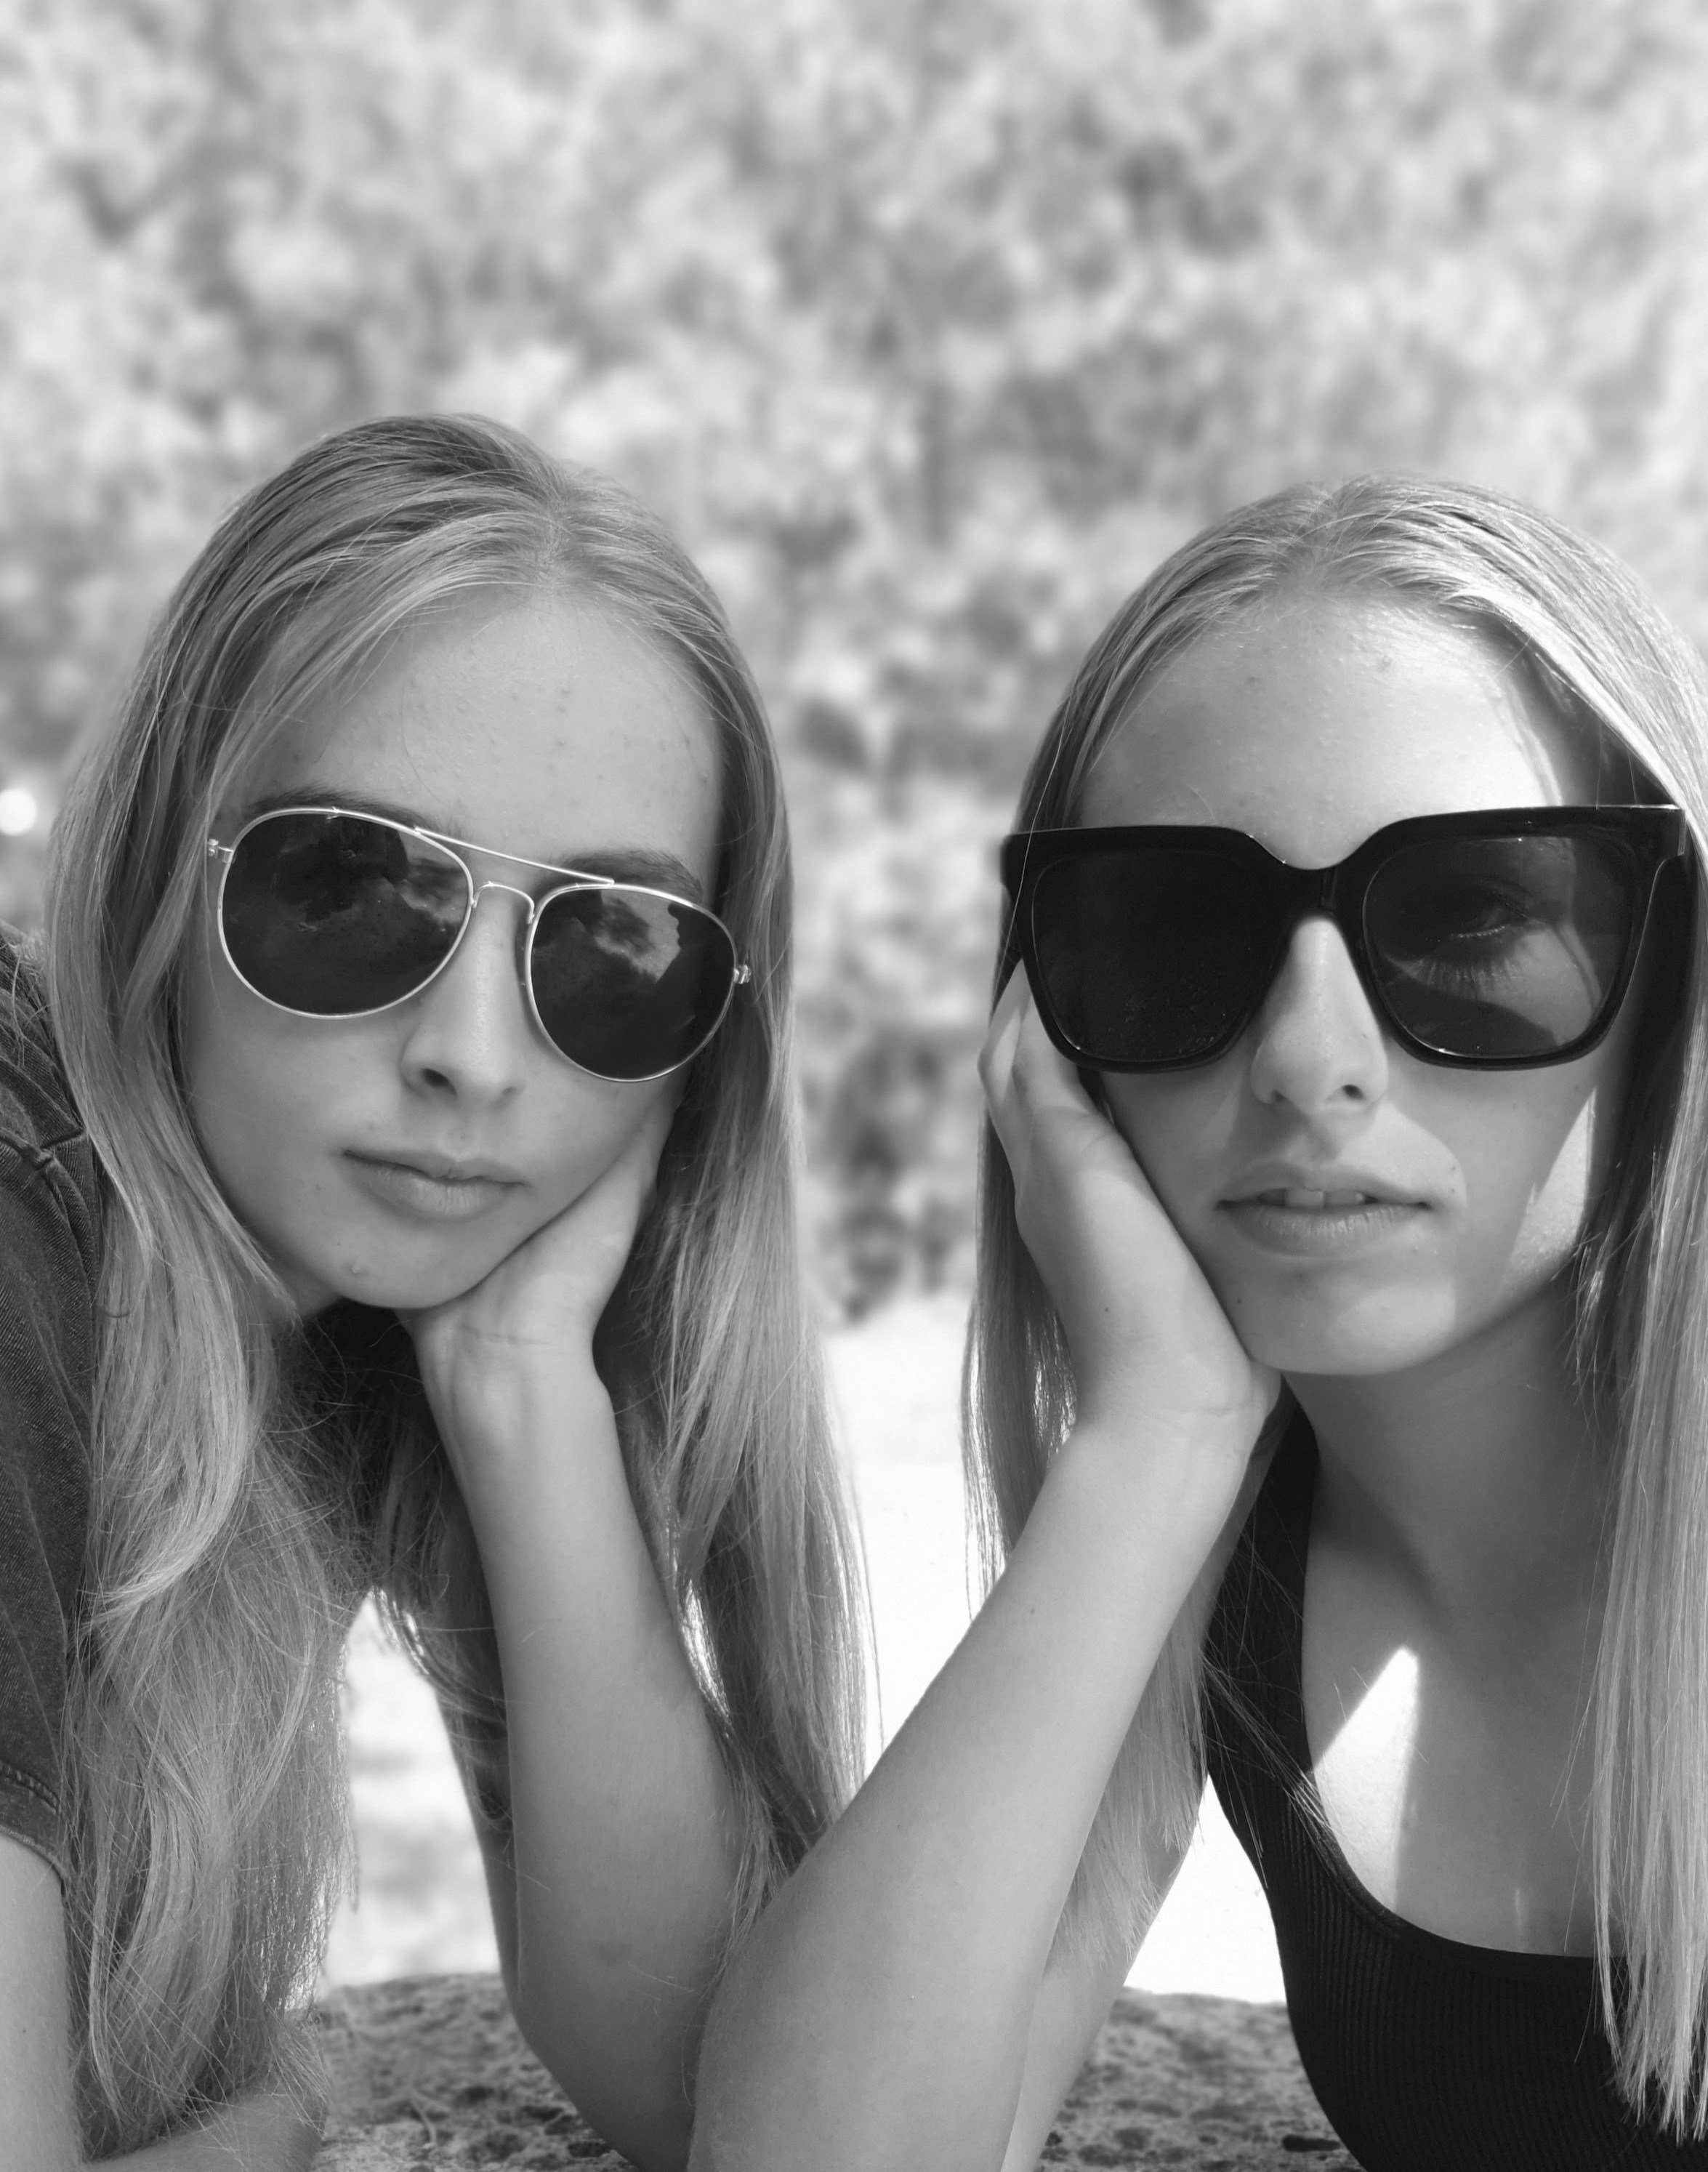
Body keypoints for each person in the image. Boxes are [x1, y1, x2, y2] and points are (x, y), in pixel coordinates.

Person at [690, 475, 1708, 2170]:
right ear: (1050, 1034)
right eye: (1173, 930)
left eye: (1468, 918)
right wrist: (1148, 1445)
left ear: (1669, 994)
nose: (1310, 1058)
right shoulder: (1221, 1569)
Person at [0, 412, 863, 2169]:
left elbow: (710, 2091)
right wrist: (265, 2129)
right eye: (346, 889)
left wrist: (520, 1381)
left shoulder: (345, 1300)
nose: (473, 1056)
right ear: (164, 860)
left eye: (614, 950)